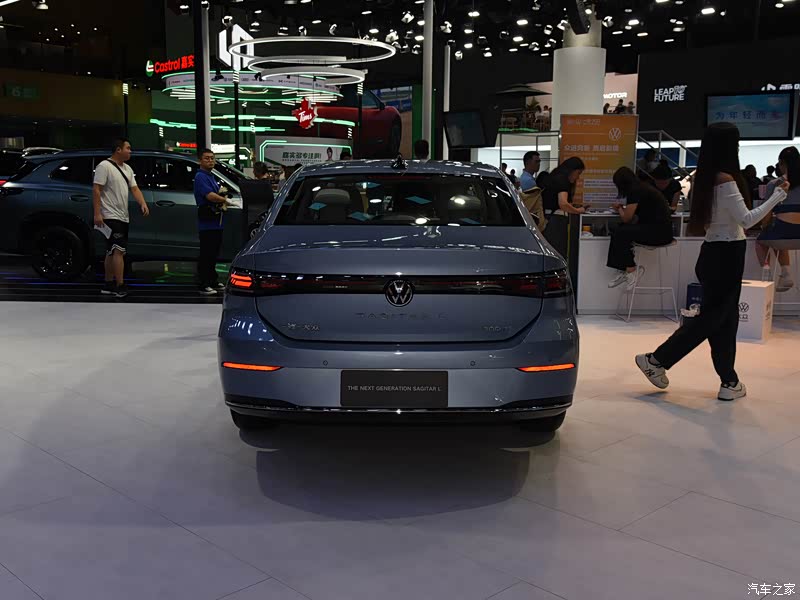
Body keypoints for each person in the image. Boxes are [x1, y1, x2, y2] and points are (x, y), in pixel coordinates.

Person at [635, 122, 788, 401]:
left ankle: (729, 381)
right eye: (736, 143)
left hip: (715, 252)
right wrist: (777, 196)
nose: (738, 148)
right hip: (726, 255)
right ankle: (657, 360)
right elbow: (747, 220)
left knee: (724, 319)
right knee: (714, 318)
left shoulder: (704, 178)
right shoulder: (725, 180)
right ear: (729, 147)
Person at [92, 138, 150, 298]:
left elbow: (134, 188)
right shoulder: (104, 166)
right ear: (118, 149)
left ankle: (108, 283)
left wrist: (142, 203)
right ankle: (120, 285)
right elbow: (96, 190)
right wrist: (97, 213)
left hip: (123, 215)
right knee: (118, 250)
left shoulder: (127, 169)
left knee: (111, 251)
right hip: (110, 215)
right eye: (128, 148)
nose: (130, 151)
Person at [607, 166, 674, 289]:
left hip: (658, 233)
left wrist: (619, 208)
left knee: (620, 231)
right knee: (619, 230)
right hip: (663, 231)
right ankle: (624, 269)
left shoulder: (635, 191)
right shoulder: (642, 188)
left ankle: (631, 270)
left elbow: (627, 218)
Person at [756, 146, 800, 292]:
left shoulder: (774, 184)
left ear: (781, 163)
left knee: (763, 240)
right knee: (779, 235)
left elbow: (766, 214)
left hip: (781, 235)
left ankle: (768, 275)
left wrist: (763, 227)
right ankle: (785, 273)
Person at [194, 148, 229, 295]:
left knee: (213, 252)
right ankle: (203, 283)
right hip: (207, 222)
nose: (210, 161)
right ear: (200, 161)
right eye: (207, 158)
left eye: (212, 158)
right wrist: (226, 200)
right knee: (207, 253)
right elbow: (209, 196)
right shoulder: (200, 176)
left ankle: (212, 279)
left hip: (216, 221)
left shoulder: (211, 176)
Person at [541, 157, 586, 258]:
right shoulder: (563, 180)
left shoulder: (554, 176)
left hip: (549, 219)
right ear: (572, 170)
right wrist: (578, 210)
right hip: (556, 221)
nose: (578, 177)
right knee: (558, 253)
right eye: (578, 173)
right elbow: (563, 204)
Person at [519, 150, 544, 226]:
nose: (539, 164)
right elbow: (531, 203)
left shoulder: (525, 178)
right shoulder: (528, 180)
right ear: (528, 162)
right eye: (536, 161)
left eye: (539, 161)